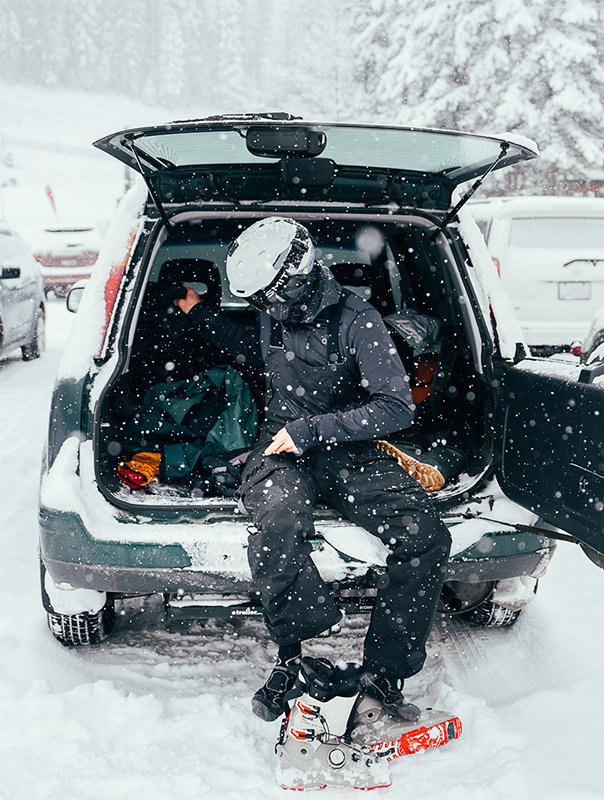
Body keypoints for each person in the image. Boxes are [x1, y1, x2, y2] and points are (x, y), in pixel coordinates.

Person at [174, 217, 451, 724]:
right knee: (277, 521)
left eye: (267, 299)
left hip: (348, 447)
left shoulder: (358, 321)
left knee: (425, 536)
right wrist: (199, 314)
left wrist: (312, 430)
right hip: (279, 445)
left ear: (298, 276)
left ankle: (383, 673)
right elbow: (243, 345)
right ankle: (295, 654)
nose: (265, 311)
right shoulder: (273, 313)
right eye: (258, 302)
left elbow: (395, 408)